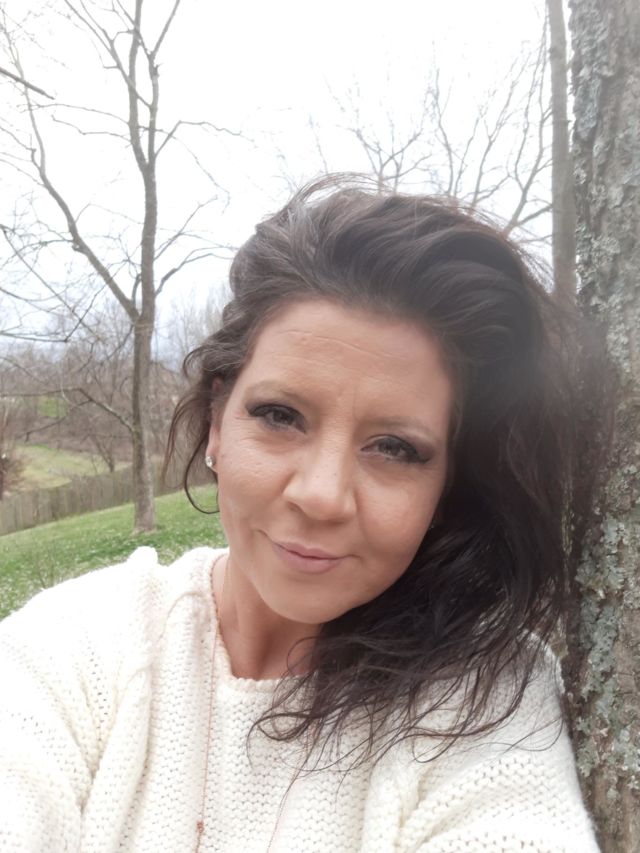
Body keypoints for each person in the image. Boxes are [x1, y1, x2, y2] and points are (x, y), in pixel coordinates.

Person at [0, 178, 600, 852]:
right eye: (281, 416)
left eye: (395, 448)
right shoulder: (79, 646)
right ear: (218, 422)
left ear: (447, 487)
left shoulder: (483, 702)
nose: (321, 495)